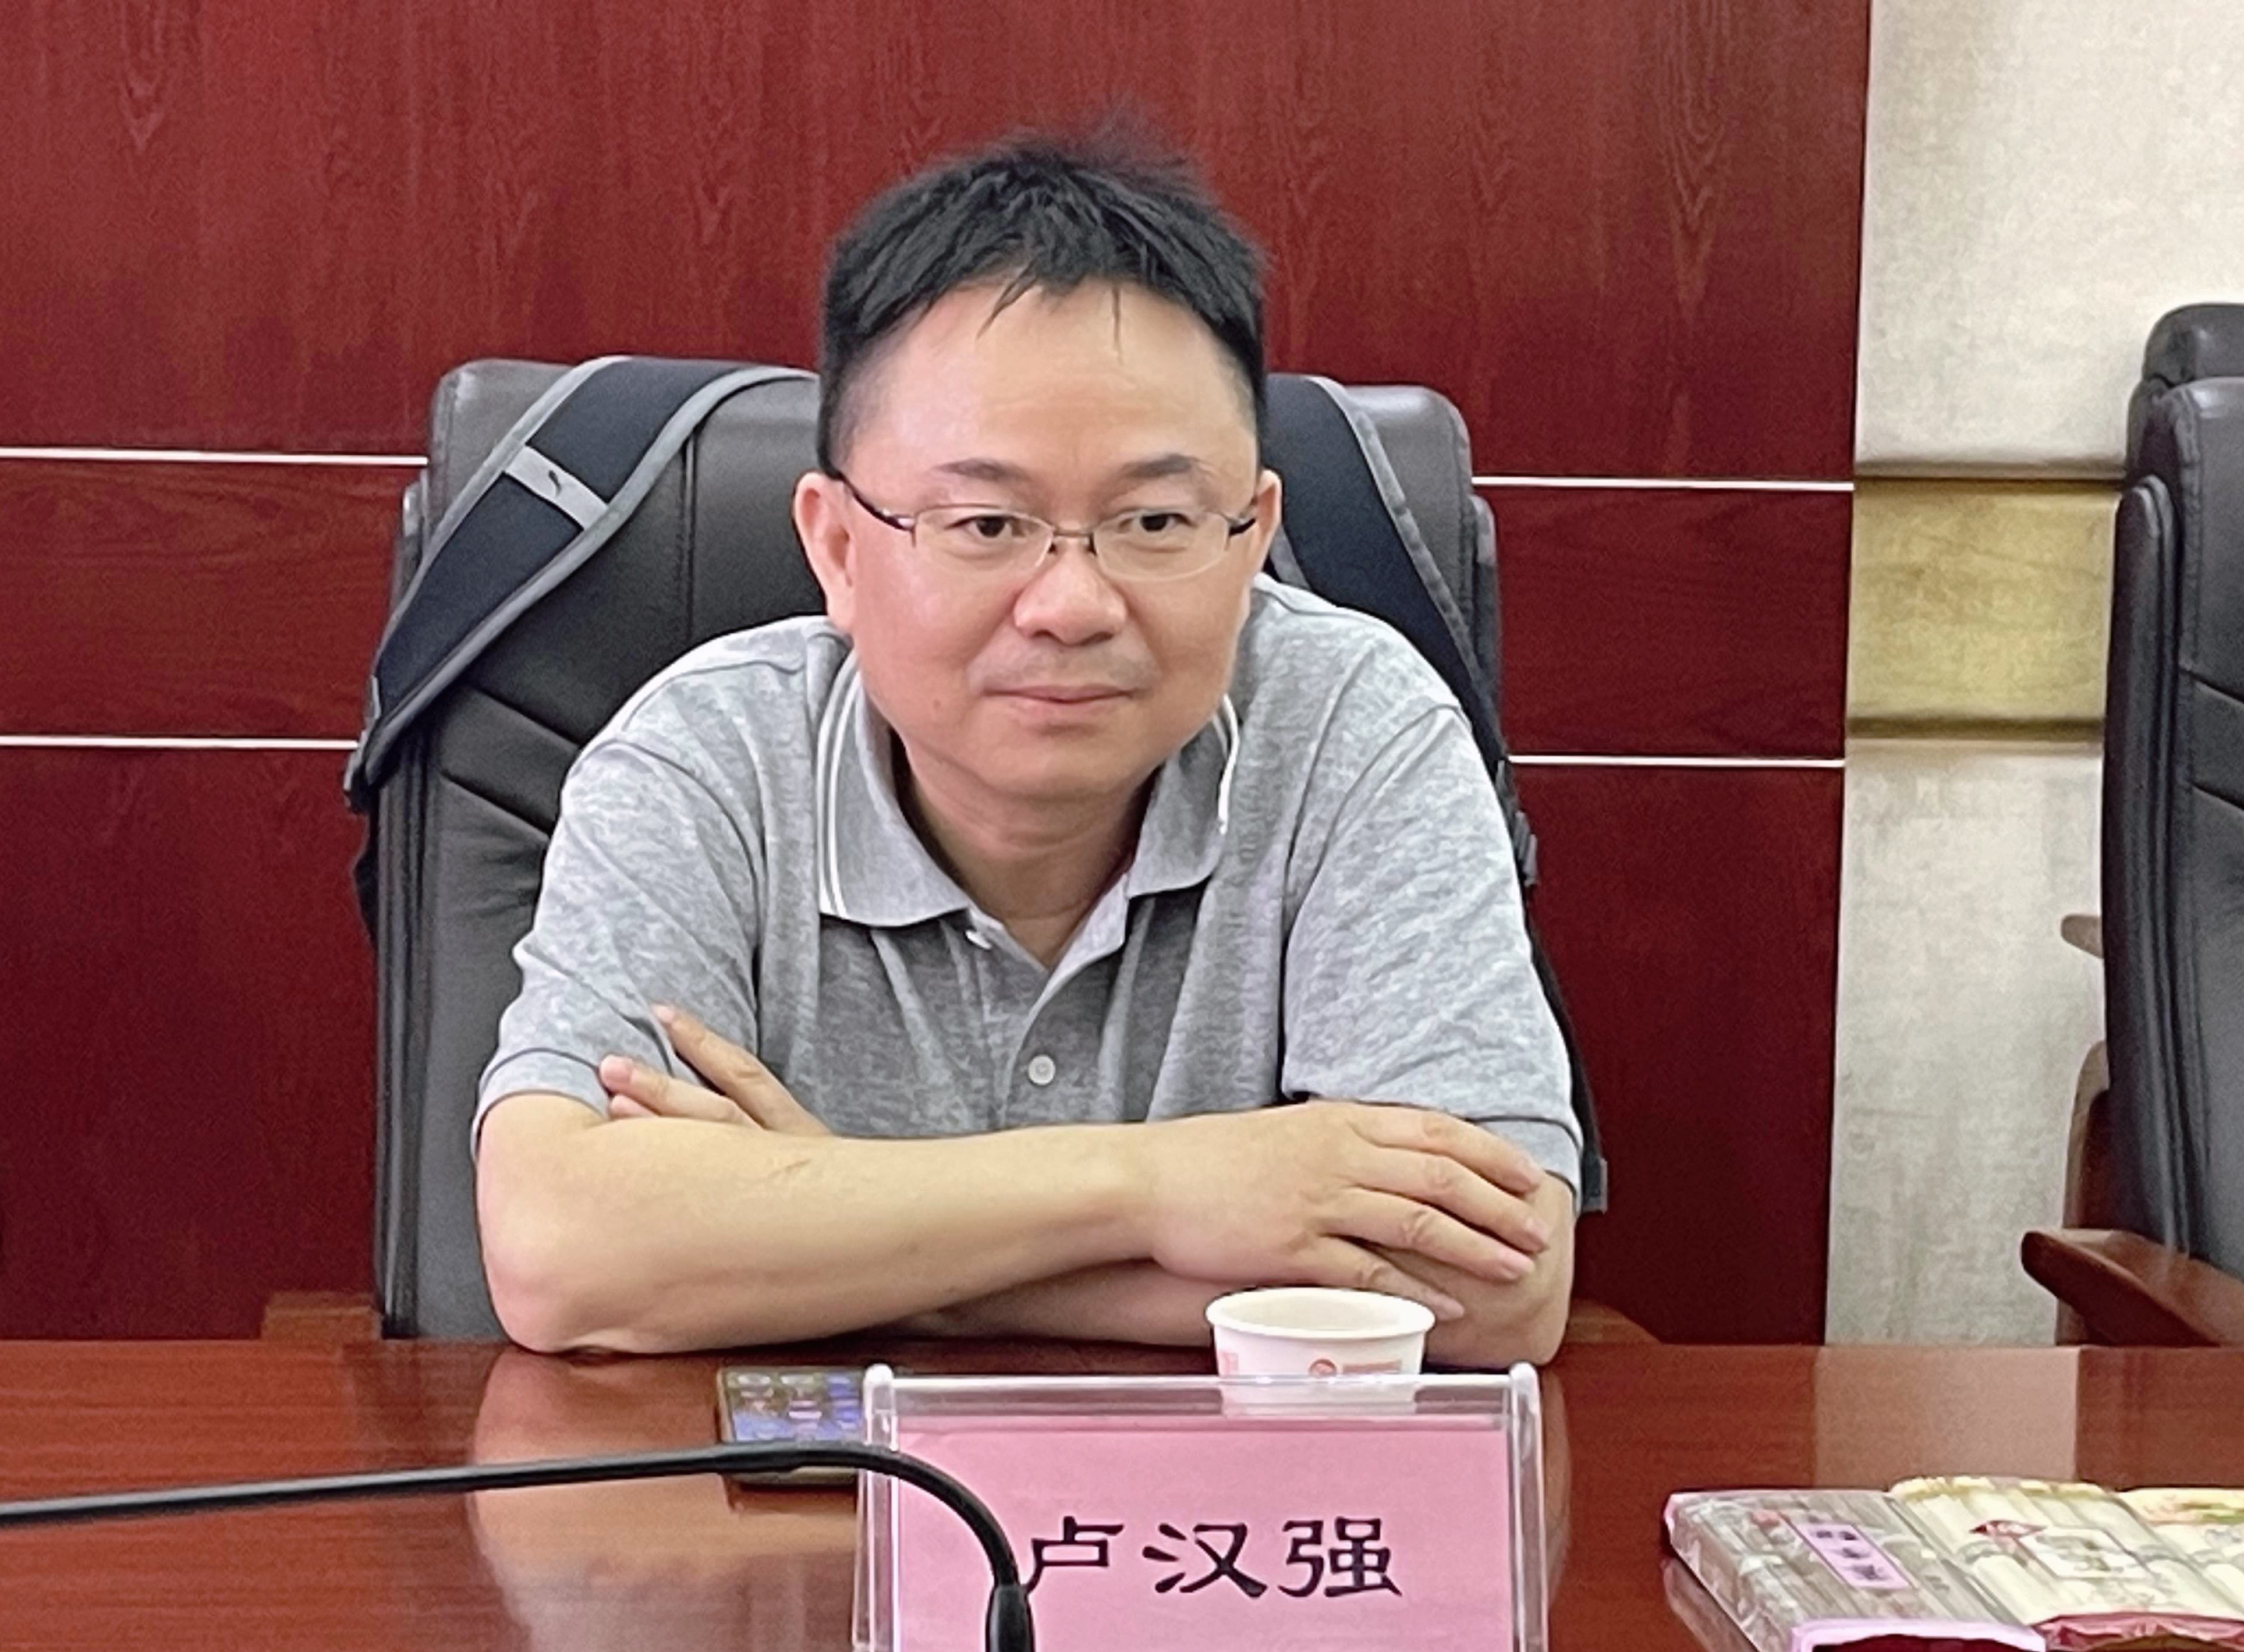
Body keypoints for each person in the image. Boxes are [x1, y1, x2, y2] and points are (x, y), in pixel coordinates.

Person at [474, 131, 1582, 1366]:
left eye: (1154, 520)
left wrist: (853, 1246)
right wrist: (1158, 1186)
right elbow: (560, 1251)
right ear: (837, 547)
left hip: (1231, 1487)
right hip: (793, 1491)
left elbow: (1497, 1289)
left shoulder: (1354, 730)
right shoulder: (707, 759)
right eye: (987, 523)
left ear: (1251, 533)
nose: (1071, 605)